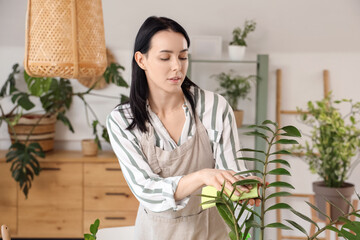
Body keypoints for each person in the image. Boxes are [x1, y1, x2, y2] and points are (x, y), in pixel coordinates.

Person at [106, 16, 261, 240]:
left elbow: (231, 168)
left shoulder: (213, 106)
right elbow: (147, 191)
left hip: (212, 231)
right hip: (156, 234)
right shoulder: (122, 120)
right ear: (141, 60)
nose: (177, 66)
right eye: (165, 57)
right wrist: (202, 177)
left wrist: (242, 186)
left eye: (183, 56)